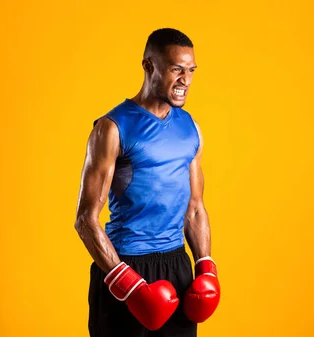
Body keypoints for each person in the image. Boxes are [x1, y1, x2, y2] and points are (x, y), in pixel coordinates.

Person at [74, 28, 220, 337]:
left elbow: (194, 209)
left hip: (177, 269)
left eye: (191, 70)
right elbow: (86, 220)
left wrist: (206, 266)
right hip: (125, 266)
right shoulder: (112, 128)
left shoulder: (190, 127)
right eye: (176, 69)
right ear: (148, 66)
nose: (186, 80)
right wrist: (126, 284)